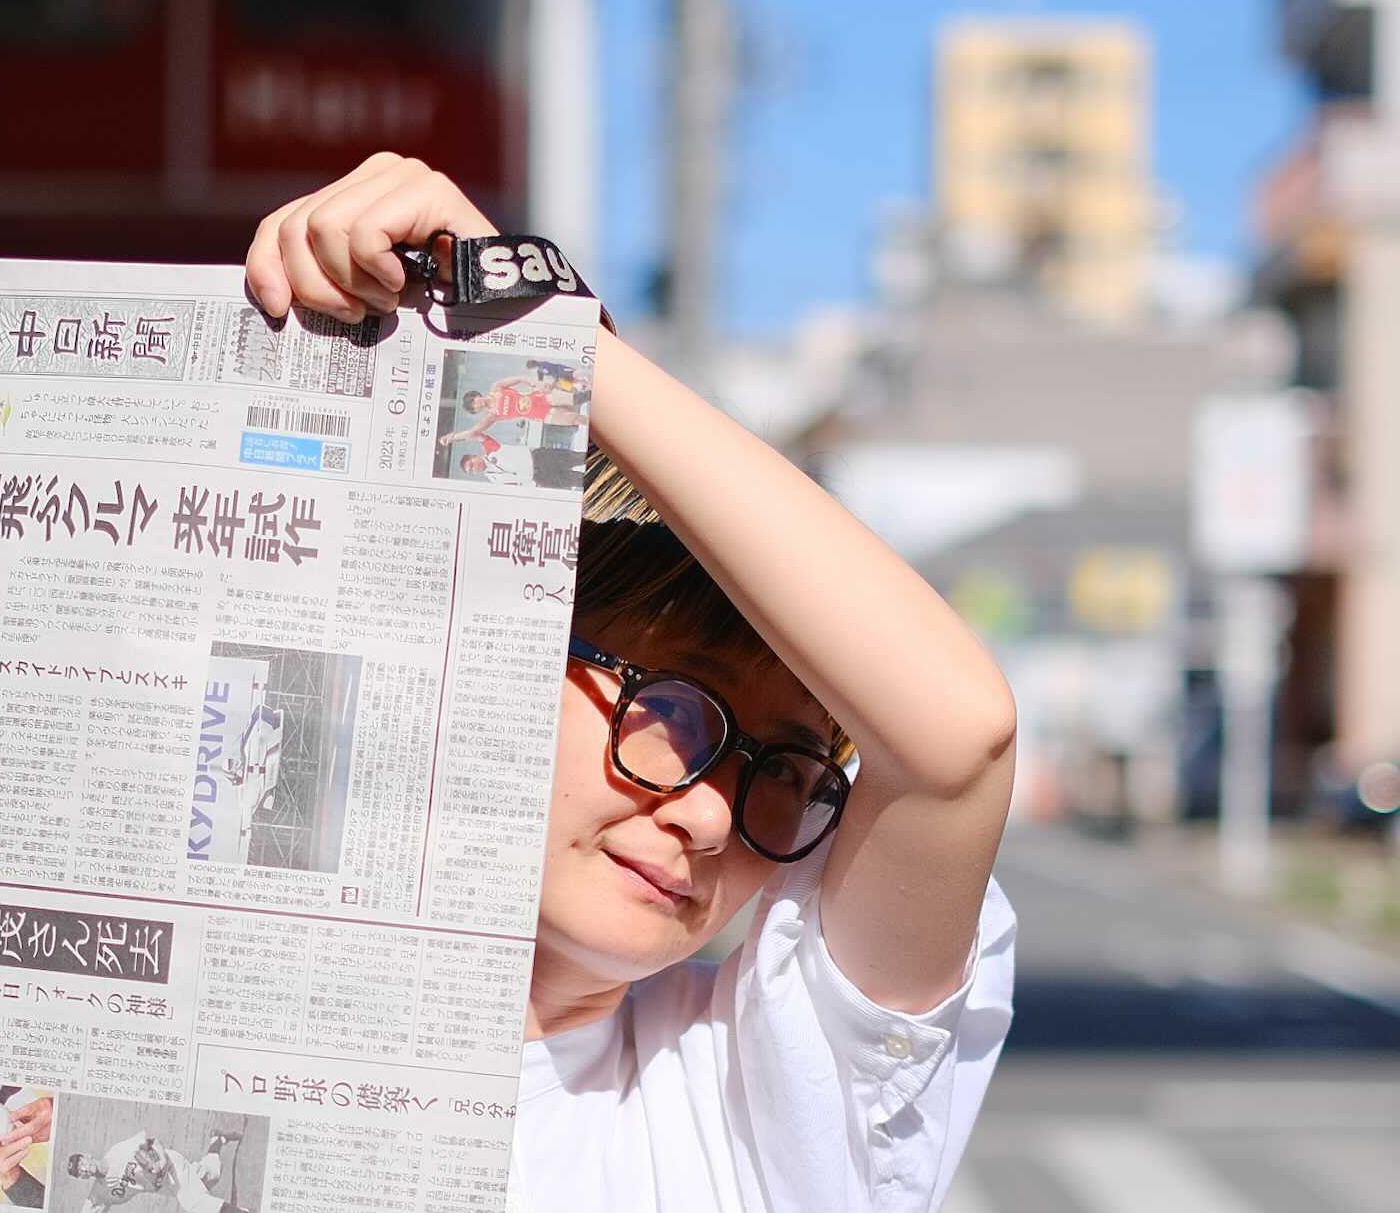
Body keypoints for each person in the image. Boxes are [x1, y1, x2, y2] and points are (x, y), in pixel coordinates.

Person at [245, 153, 1017, 1211]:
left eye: (785, 774)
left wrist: (534, 322)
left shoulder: (757, 1088)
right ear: (501, 658)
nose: (711, 816)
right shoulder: (223, 1005)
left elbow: (957, 739)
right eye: (673, 709)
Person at [67, 1127, 251, 1213]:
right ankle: (217, 1140)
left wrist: (161, 1160)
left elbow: (151, 1141)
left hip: (170, 1166)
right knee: (211, 1175)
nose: (84, 1169)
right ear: (82, 1178)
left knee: (194, 1203)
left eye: (82, 1163)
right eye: (79, 1172)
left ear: (87, 1156)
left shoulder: (118, 1153)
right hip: (162, 1186)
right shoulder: (99, 1195)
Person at [438, 374, 591, 449]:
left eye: (474, 402)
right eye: (474, 408)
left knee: (578, 398)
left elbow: (520, 378)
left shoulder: (496, 387)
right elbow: (474, 432)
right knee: (576, 419)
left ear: (476, 395)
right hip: (539, 415)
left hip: (541, 397)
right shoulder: (492, 416)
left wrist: (535, 383)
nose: (477, 405)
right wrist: (453, 437)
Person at [459, 432, 587, 490]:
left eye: (472, 464)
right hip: (540, 478)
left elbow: (477, 434)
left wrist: (456, 437)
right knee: (580, 480)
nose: (474, 468)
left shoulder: (491, 450)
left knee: (580, 458)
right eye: (472, 470)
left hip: (540, 459)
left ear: (474, 456)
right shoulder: (493, 479)